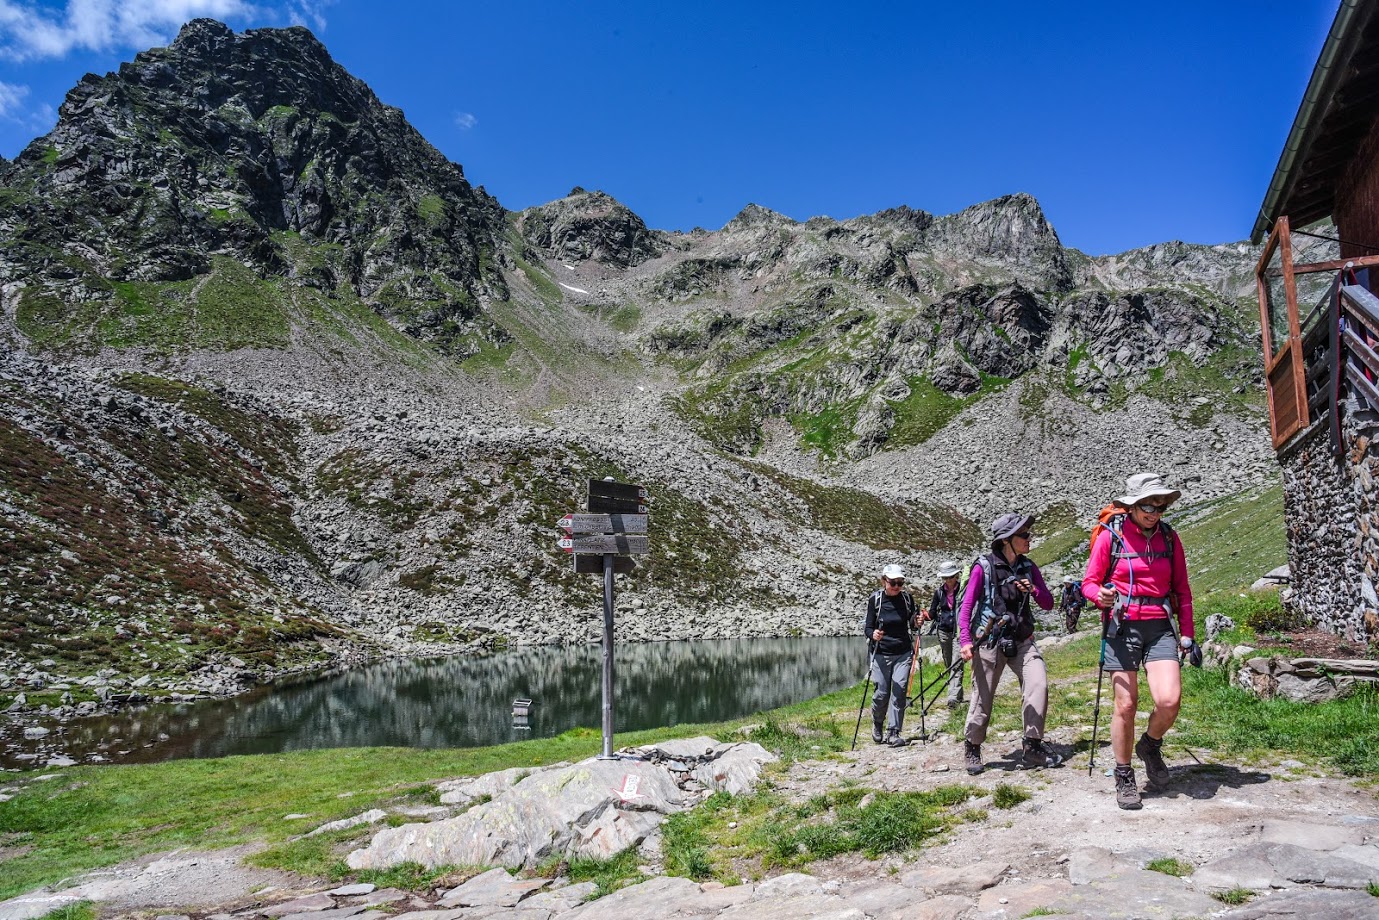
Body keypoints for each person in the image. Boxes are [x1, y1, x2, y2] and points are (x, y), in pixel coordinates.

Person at [1082, 473, 1194, 810]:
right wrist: (1098, 595)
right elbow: (1089, 583)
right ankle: (1124, 773)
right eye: (1147, 505)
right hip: (1122, 627)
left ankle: (1150, 744)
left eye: (1160, 505)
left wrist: (1187, 632)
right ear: (1131, 506)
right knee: (1126, 705)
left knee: (1169, 700)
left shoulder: (1170, 539)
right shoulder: (1111, 537)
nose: (1154, 511)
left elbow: (1183, 590)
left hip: (1159, 626)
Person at [958, 512, 1055, 774]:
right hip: (989, 641)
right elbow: (966, 607)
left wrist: (1032, 590)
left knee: (1038, 683)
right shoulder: (984, 567)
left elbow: (1048, 602)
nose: (1029, 538)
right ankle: (973, 746)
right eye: (1023, 535)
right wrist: (965, 640)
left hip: (1022, 639)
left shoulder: (1028, 567)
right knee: (983, 697)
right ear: (1006, 541)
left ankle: (1032, 745)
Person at [863, 563, 919, 747]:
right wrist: (873, 634)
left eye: (900, 582)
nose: (896, 586)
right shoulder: (875, 600)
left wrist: (917, 621)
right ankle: (878, 723)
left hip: (903, 651)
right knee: (881, 693)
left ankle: (894, 731)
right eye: (893, 582)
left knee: (899, 689)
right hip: (881, 653)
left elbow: (912, 622)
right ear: (884, 581)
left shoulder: (907, 599)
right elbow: (868, 627)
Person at [924, 560, 965, 708]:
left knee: (956, 663)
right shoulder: (939, 592)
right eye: (945, 578)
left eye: (951, 577)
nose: (948, 580)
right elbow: (933, 612)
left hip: (960, 632)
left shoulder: (963, 590)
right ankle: (957, 693)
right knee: (949, 663)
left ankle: (952, 697)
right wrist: (926, 616)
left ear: (956, 576)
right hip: (943, 631)